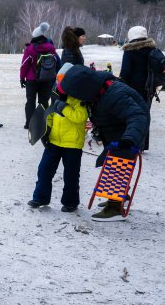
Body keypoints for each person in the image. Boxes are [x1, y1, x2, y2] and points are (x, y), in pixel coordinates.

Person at [58, 65, 150, 221]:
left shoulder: (114, 95)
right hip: (115, 130)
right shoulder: (98, 90)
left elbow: (138, 116)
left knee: (117, 166)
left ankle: (115, 208)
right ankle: (121, 196)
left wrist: (128, 140)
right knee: (112, 164)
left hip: (127, 136)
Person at [28, 65, 88, 212]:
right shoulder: (56, 95)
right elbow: (49, 114)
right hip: (54, 141)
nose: (59, 83)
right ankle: (40, 198)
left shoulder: (80, 98)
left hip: (72, 144)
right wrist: (45, 132)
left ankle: (70, 202)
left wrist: (64, 108)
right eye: (58, 79)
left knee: (71, 175)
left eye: (62, 80)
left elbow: (80, 118)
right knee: (44, 170)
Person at [119, 26, 156, 150]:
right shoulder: (152, 50)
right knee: (145, 114)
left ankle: (131, 142)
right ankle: (143, 145)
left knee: (132, 115)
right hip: (149, 88)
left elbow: (125, 72)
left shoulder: (130, 51)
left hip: (132, 88)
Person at [20, 22, 59, 129]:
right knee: (44, 101)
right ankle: (42, 122)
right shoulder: (51, 47)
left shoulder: (30, 49)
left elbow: (24, 65)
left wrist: (22, 78)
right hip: (47, 78)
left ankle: (29, 123)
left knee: (30, 101)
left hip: (32, 80)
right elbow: (55, 60)